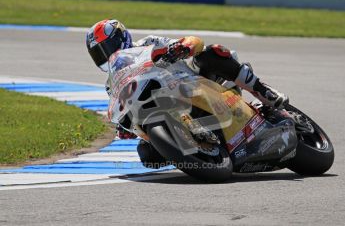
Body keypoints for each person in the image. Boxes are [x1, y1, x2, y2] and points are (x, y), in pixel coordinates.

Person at [86, 19, 289, 167]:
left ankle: (262, 90)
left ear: (122, 38)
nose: (107, 55)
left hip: (196, 84)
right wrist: (125, 127)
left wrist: (182, 47)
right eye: (99, 54)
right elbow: (125, 111)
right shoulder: (112, 84)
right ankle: (199, 154)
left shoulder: (147, 44)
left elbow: (193, 41)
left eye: (108, 47)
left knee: (211, 52)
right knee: (147, 155)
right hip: (164, 110)